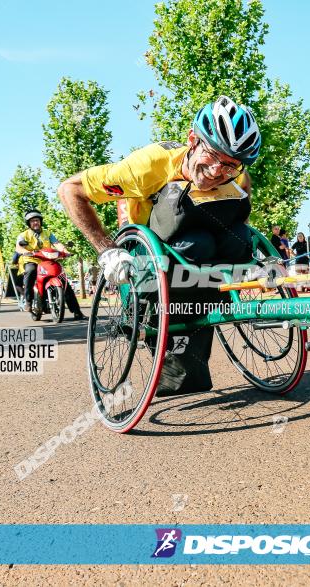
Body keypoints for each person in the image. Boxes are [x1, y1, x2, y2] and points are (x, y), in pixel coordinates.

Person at [57, 95, 262, 395]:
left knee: (238, 240)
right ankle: (159, 311)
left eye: (230, 165)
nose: (219, 171)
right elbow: (70, 190)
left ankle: (203, 307)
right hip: (154, 252)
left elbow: (243, 193)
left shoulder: (238, 175)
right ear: (193, 140)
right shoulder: (147, 166)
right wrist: (106, 249)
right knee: (198, 245)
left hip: (199, 264)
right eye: (213, 156)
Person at [15, 210, 86, 320]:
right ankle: (28, 301)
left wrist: (65, 251)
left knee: (63, 280)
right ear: (29, 223)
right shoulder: (23, 235)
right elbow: (18, 247)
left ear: (40, 222)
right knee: (31, 271)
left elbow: (57, 244)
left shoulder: (48, 233)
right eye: (33, 221)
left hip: (47, 260)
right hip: (31, 259)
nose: (35, 223)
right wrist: (24, 251)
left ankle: (77, 311)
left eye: (37, 220)